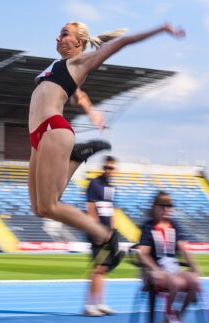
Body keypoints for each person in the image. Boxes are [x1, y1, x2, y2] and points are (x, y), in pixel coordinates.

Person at [28, 21, 185, 269]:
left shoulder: (81, 62)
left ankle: (107, 237)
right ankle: (77, 158)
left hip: (53, 129)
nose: (58, 38)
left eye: (64, 34)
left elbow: (123, 42)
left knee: (50, 205)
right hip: (38, 135)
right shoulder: (60, 66)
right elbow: (77, 94)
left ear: (79, 42)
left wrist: (162, 29)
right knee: (40, 209)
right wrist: (92, 112)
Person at [138, 191, 200, 323]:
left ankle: (175, 318)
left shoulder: (174, 225)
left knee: (194, 281)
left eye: (170, 206)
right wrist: (156, 270)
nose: (167, 209)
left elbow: (183, 249)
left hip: (172, 268)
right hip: (154, 270)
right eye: (163, 206)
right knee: (176, 282)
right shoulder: (149, 227)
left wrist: (194, 268)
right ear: (155, 207)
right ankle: (169, 320)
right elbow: (143, 254)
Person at [84, 156, 125, 316]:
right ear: (103, 168)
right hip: (97, 232)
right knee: (97, 268)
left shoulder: (112, 187)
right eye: (107, 167)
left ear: (115, 170)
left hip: (109, 233)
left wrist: (113, 231)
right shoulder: (94, 184)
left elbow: (112, 210)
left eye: (112, 168)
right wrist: (96, 230)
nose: (109, 170)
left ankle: (100, 303)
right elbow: (90, 207)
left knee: (104, 268)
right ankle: (89, 305)